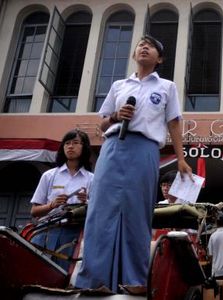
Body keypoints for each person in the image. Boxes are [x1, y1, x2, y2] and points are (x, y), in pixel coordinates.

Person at [76, 35, 192, 293]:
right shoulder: (119, 85)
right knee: (100, 211)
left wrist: (181, 158)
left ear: (159, 59)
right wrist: (117, 115)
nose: (144, 47)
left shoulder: (167, 87)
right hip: (113, 145)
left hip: (145, 149)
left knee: (137, 213)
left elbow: (173, 122)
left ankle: (135, 280)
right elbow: (103, 122)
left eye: (150, 46)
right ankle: (94, 280)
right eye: (141, 44)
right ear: (134, 54)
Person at [30, 129, 93, 271]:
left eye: (76, 143)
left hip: (74, 234)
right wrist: (52, 205)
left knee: (65, 274)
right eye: (67, 143)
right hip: (45, 231)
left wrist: (87, 203)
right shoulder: (49, 175)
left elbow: (98, 213)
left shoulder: (91, 179)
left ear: (84, 148)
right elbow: (34, 211)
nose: (70, 146)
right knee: (38, 272)